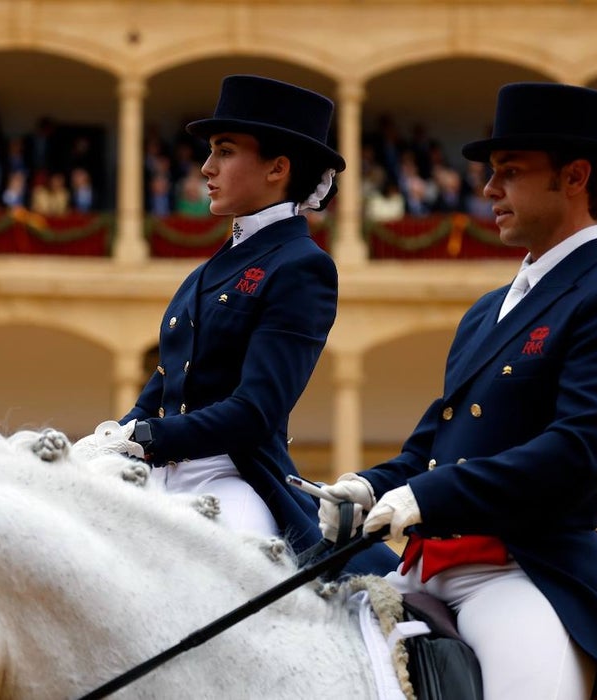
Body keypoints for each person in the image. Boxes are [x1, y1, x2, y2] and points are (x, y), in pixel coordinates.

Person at [318, 82, 597, 699]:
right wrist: (369, 485)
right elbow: (432, 448)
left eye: (510, 172)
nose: (489, 189)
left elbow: (579, 451)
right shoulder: (485, 312)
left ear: (574, 177)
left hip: (519, 573)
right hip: (422, 567)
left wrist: (429, 495)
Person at [83, 75, 397, 575]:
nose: (206, 167)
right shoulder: (206, 270)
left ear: (277, 167)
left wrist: (147, 437)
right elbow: (161, 390)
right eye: (211, 152)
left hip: (231, 479)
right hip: (158, 470)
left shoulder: (301, 265)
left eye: (225, 151)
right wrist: (108, 439)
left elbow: (255, 411)